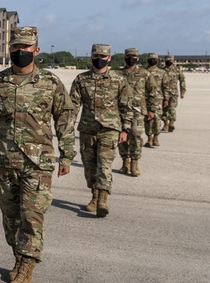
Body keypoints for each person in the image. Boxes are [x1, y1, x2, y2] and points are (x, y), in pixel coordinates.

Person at [0, 26, 75, 283]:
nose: (20, 52)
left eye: (26, 48)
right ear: (10, 49)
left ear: (36, 50)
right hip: (4, 160)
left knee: (32, 216)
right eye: (15, 48)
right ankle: (19, 258)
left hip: (38, 163)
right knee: (11, 220)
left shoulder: (50, 84)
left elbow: (65, 117)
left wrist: (67, 154)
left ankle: (26, 270)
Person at [69, 45, 131, 217]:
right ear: (91, 56)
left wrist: (125, 129)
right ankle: (94, 196)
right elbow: (73, 105)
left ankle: (102, 199)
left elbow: (126, 105)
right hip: (87, 130)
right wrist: (68, 126)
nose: (99, 58)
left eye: (103, 56)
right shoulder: (81, 79)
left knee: (104, 165)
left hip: (109, 130)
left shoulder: (118, 79)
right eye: (96, 55)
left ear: (109, 58)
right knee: (89, 167)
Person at [114, 48, 147, 177]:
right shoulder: (117, 74)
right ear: (125, 57)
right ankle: (125, 162)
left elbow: (153, 91)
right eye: (129, 56)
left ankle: (135, 162)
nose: (131, 58)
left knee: (136, 135)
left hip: (138, 111)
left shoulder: (145, 74)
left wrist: (152, 110)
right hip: (121, 111)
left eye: (134, 56)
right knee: (122, 137)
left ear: (138, 58)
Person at [143, 53, 166, 148]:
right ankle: (149, 138)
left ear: (157, 60)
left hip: (158, 99)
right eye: (150, 59)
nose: (152, 60)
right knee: (147, 120)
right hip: (145, 99)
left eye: (154, 59)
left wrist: (166, 99)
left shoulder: (162, 73)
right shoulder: (143, 72)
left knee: (157, 119)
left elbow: (165, 86)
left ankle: (156, 137)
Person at [162, 55, 185, 132]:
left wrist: (182, 91)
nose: (169, 62)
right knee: (164, 109)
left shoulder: (177, 71)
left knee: (172, 108)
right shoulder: (162, 71)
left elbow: (182, 81)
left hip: (173, 93)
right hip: (163, 93)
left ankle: (171, 122)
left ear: (173, 61)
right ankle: (165, 123)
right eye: (167, 60)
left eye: (170, 60)